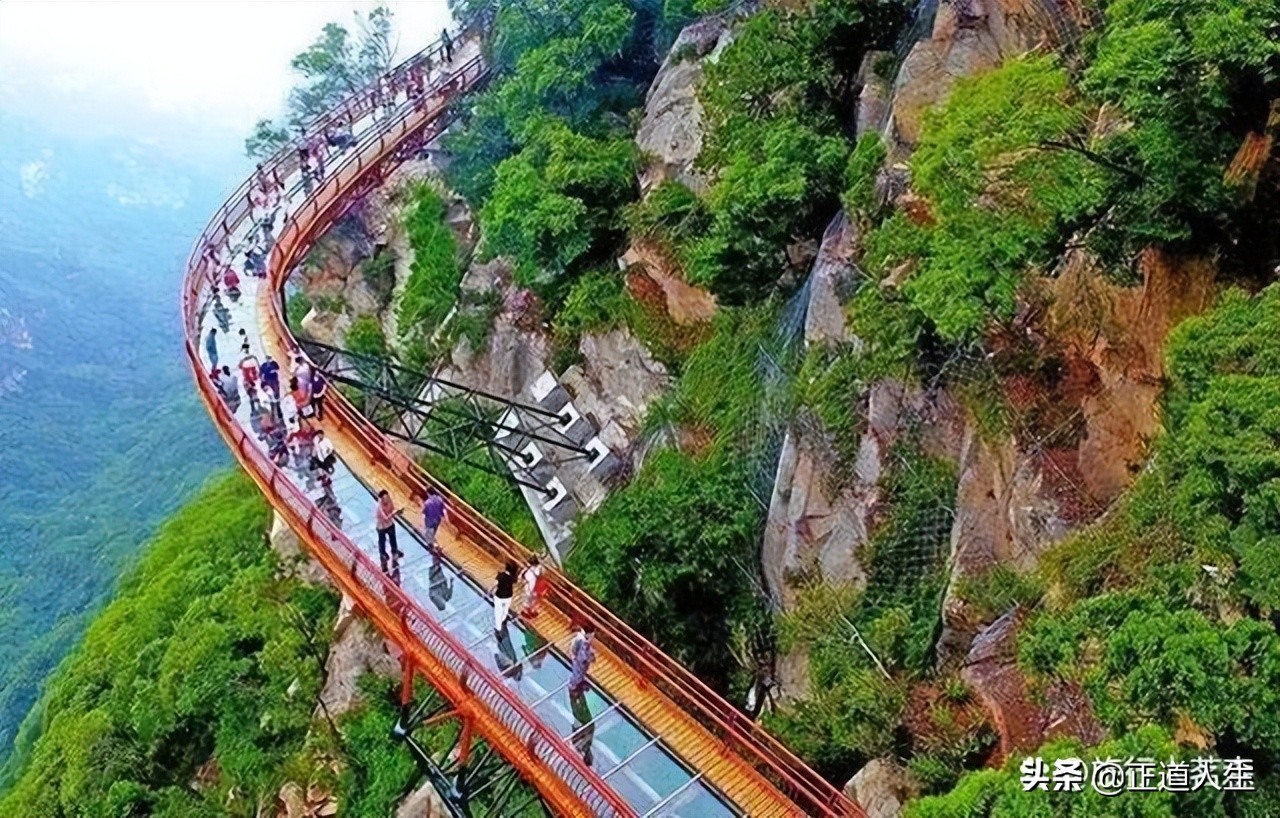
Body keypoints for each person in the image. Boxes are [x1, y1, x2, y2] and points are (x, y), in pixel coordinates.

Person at [375, 489, 403, 572]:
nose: (387, 499)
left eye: (388, 497)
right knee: (382, 542)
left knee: (393, 539)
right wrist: (393, 514)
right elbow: (385, 518)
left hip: (390, 524)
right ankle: (382, 555)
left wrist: (398, 512)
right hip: (381, 527)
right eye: (385, 498)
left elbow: (392, 510)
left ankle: (394, 551)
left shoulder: (390, 501)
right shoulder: (379, 507)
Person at [568, 623, 597, 698]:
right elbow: (582, 652)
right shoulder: (581, 640)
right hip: (579, 660)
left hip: (580, 659)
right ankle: (572, 688)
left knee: (582, 671)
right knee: (577, 673)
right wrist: (589, 658)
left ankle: (580, 681)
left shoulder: (582, 638)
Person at [493, 561, 518, 634]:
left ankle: (498, 627)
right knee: (505, 609)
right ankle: (503, 619)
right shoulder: (512, 578)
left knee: (498, 610)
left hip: (499, 596)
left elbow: (495, 584)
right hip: (508, 596)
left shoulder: (501, 575)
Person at [421, 487, 446, 553]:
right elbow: (443, 509)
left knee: (428, 534)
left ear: (428, 493)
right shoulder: (440, 499)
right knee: (433, 533)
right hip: (437, 520)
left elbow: (423, 512)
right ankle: (434, 545)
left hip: (429, 521)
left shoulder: (427, 502)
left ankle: (435, 546)